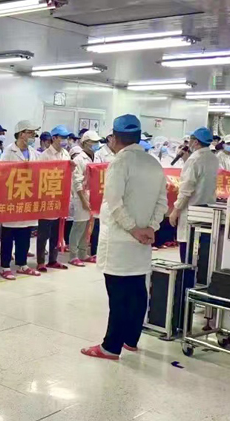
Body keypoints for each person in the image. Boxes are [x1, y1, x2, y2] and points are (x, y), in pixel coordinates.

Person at [81, 114, 168, 360]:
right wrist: (151, 228)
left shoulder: (120, 163)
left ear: (115, 138)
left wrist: (133, 229)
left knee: (118, 295)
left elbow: (114, 202)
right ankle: (131, 339)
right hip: (142, 241)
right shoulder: (153, 163)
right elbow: (162, 201)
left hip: (121, 240)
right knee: (138, 291)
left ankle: (110, 346)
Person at [169, 127, 219, 263]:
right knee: (202, 252)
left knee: (188, 251)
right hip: (206, 209)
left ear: (196, 142)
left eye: (190, 140)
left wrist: (176, 210)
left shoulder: (194, 160)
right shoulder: (213, 158)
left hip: (191, 210)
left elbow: (187, 189)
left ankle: (187, 276)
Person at [0, 120, 41, 280]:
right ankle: (5, 266)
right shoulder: (9, 152)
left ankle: (22, 263)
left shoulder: (34, 153)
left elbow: (44, 169)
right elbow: (1, 172)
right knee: (9, 234)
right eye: (30, 133)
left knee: (25, 232)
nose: (33, 136)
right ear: (21, 134)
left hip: (27, 198)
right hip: (12, 198)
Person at [35, 125, 71, 272]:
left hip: (60, 198)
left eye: (66, 138)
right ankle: (40, 261)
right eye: (62, 137)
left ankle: (53, 259)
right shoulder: (45, 156)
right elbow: (38, 177)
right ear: (54, 138)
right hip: (47, 197)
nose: (65, 140)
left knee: (57, 232)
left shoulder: (66, 154)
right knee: (44, 232)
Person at [68, 130, 99, 266]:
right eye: (93, 142)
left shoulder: (95, 157)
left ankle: (83, 253)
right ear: (85, 143)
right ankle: (73, 255)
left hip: (93, 196)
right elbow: (77, 182)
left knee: (87, 227)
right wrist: (83, 200)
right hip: (81, 197)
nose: (96, 144)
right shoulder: (79, 159)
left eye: (97, 142)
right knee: (79, 226)